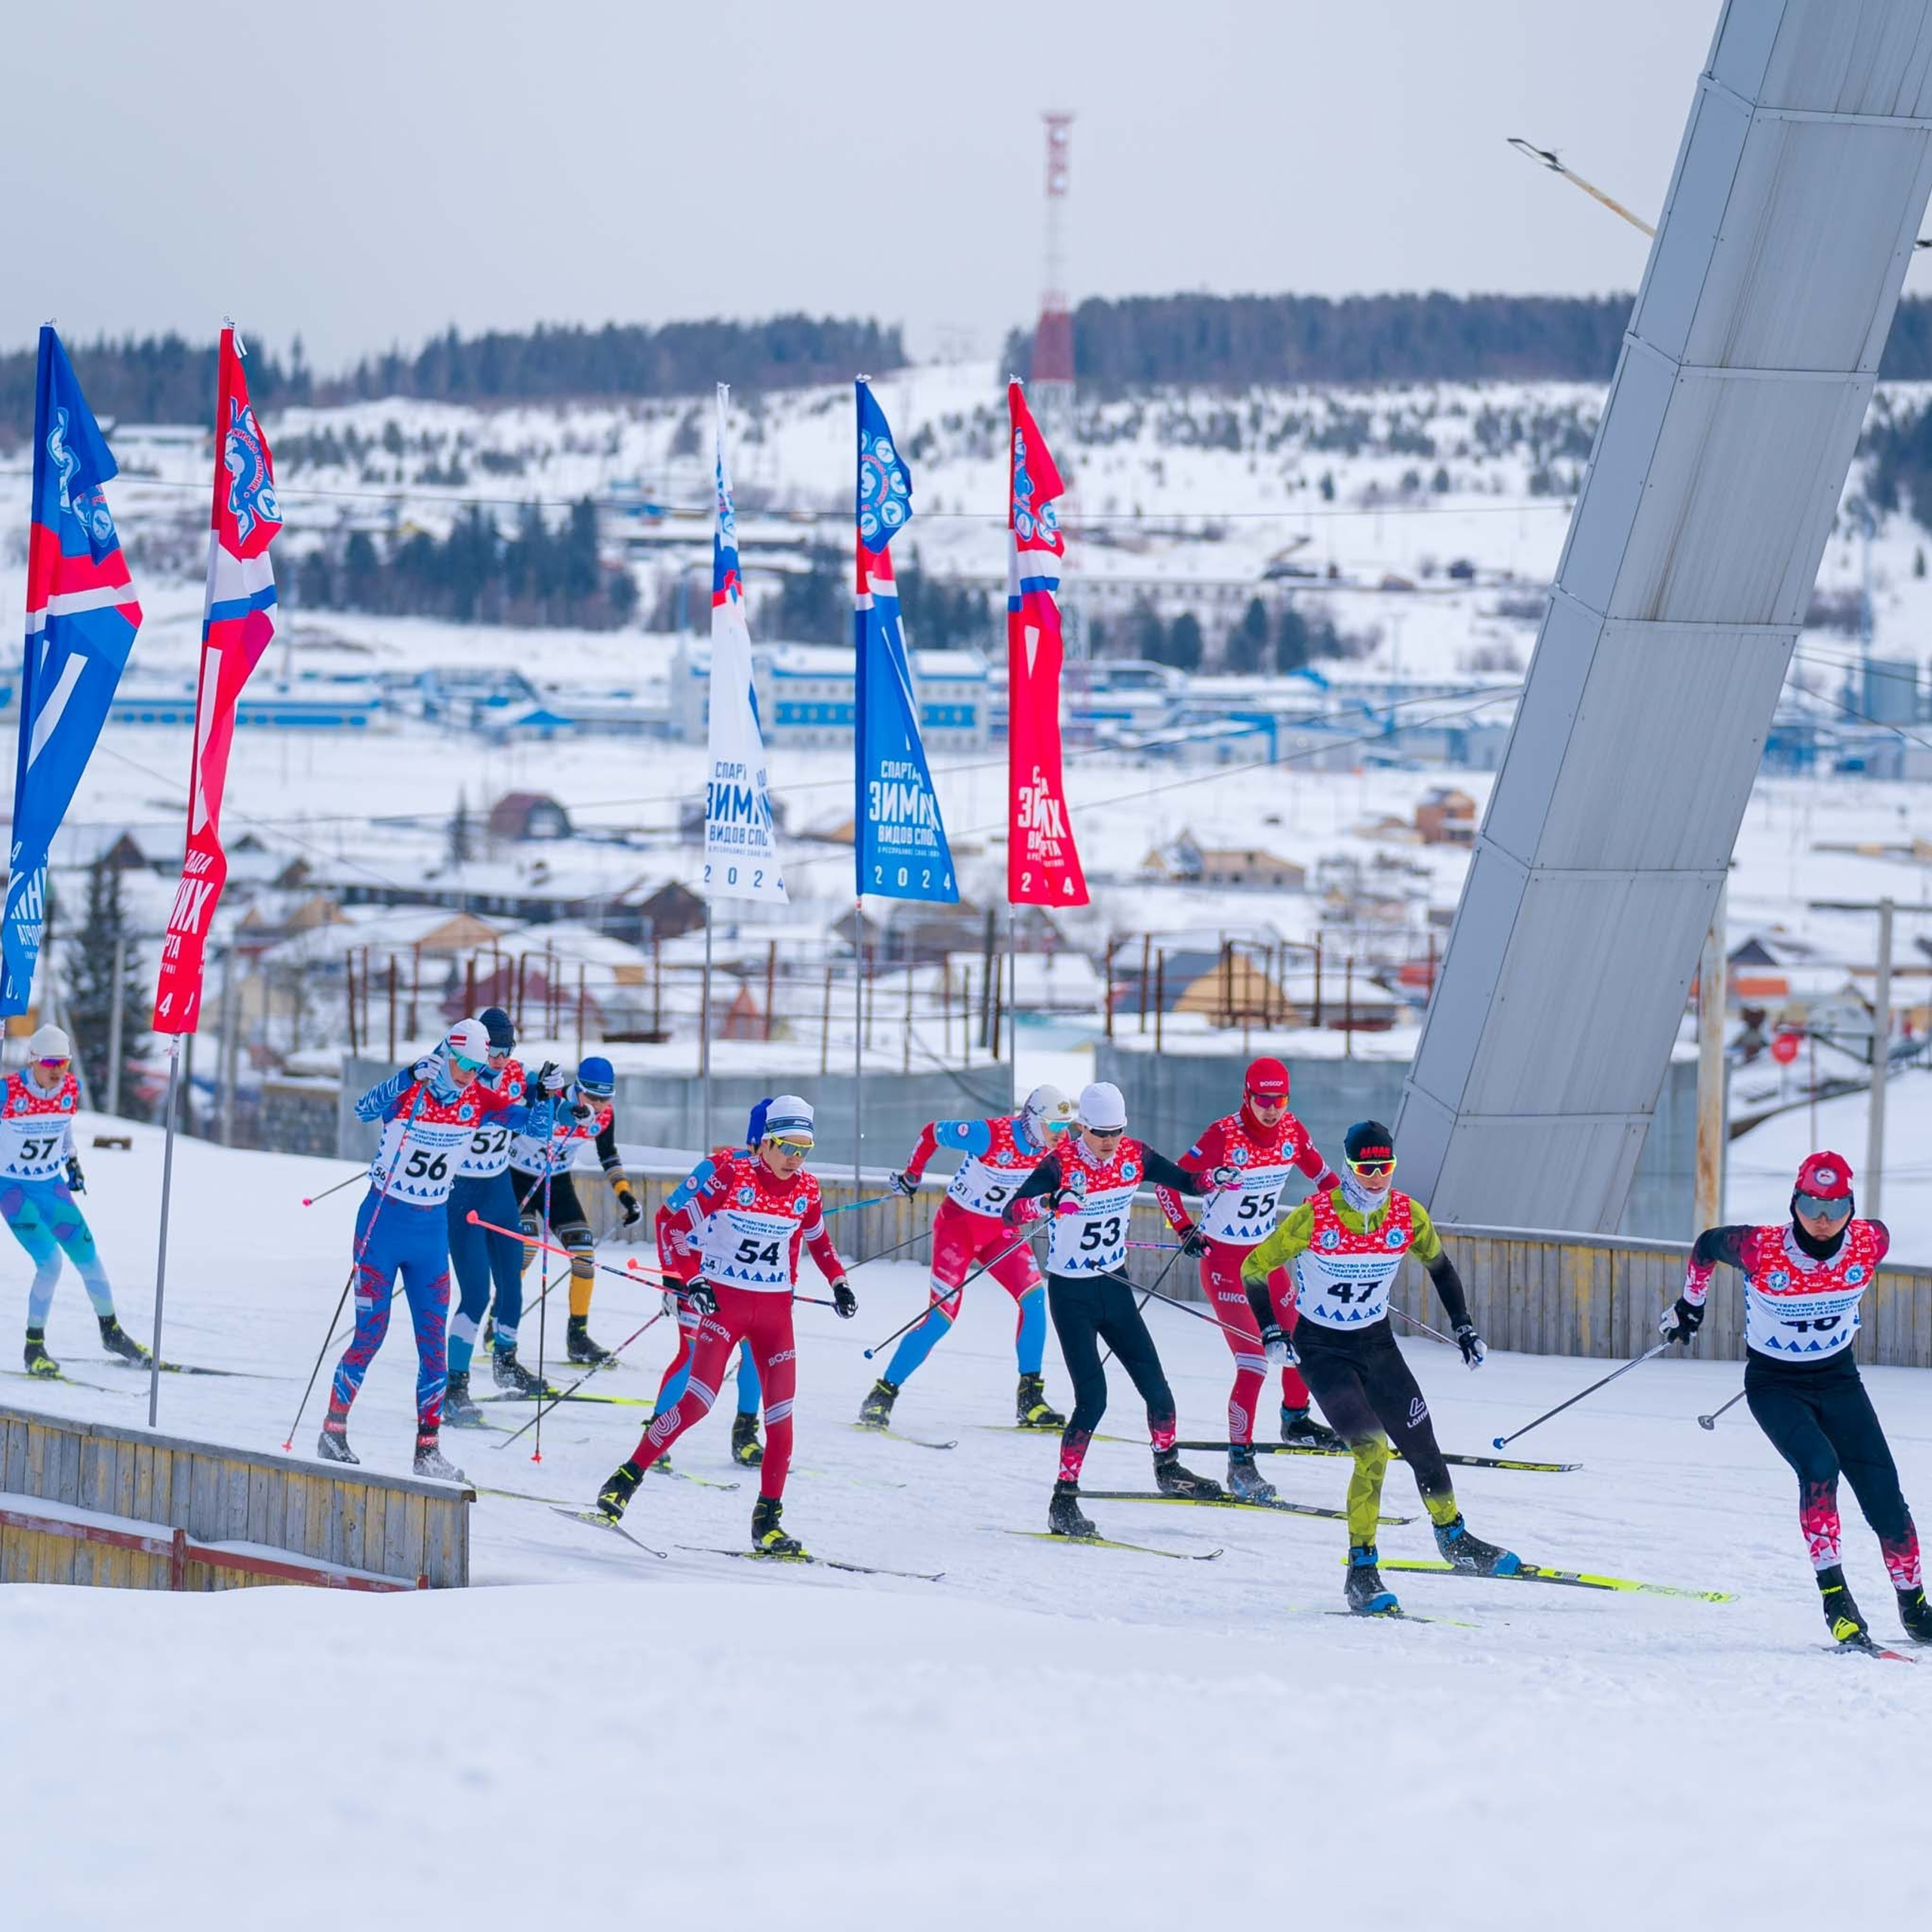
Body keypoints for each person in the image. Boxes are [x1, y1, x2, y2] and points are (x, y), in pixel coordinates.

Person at [1661, 1150, 1932, 1648]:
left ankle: (1915, 1608)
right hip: (1774, 1384)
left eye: (1835, 1207)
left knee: (1886, 1501)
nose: (1823, 1220)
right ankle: (1836, 1600)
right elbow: (1704, 1246)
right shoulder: (1760, 1247)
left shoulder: (1872, 1240)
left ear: (1852, 1207)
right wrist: (1689, 1306)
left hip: (1839, 1381)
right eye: (1811, 1205)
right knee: (1819, 1465)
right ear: (1794, 1204)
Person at [1240, 1120, 1512, 1615]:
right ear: (1347, 1167)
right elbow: (1254, 1266)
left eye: (1384, 1166)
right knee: (1372, 1451)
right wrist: (1271, 1330)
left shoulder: (1407, 1215)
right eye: (1366, 1168)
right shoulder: (1315, 1217)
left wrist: (1465, 1327)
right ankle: (1361, 1571)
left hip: (1377, 1344)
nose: (1376, 1177)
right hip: (1322, 1349)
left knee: (1423, 1445)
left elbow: (1441, 1268)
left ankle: (1454, 1539)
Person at [594, 1095, 855, 1555]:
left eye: (804, 1149)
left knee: (781, 1417)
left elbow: (819, 1239)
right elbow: (674, 1226)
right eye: (787, 1147)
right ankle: (626, 1477)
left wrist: (839, 1283)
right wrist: (692, 1280)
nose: (795, 1159)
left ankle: (767, 1520)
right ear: (764, 1144)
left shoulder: (807, 1189)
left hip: (775, 1316)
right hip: (723, 1306)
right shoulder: (731, 1176)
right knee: (697, 1403)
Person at [320, 1017, 553, 1478]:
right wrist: (407, 1077)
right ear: (446, 1053)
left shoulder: (478, 1098)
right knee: (371, 1333)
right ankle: (334, 1429)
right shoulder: (414, 1089)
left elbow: (538, 1131)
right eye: (463, 1063)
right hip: (382, 1226)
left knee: (433, 1347)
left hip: (429, 1233)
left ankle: (427, 1450)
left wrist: (544, 1096)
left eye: (477, 1065)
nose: (470, 1073)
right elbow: (363, 1110)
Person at [1001, 1081, 1223, 1539]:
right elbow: (1011, 1211)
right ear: (1081, 1127)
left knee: (1158, 1389)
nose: (1108, 1142)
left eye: (1116, 1131)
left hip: (1115, 1286)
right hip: (1073, 1296)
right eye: (1099, 1132)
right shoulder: (1061, 1163)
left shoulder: (1134, 1156)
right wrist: (1049, 1201)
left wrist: (1214, 1180)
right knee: (1093, 1400)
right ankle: (1063, 1500)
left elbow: (1185, 1181)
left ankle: (1169, 1470)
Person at [1153, 1055, 1342, 1501]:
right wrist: (1183, 1229)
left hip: (1267, 1258)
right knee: (1255, 1363)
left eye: (1280, 1100)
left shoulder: (1292, 1131)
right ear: (1247, 1096)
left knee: (1302, 1339)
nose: (1272, 1109)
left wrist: (1351, 1217)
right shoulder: (1222, 1136)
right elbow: (1167, 1183)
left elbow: (1325, 1180)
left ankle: (1296, 1419)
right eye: (1264, 1100)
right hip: (1224, 1265)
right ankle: (1240, 1464)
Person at [859, 1083, 1078, 1432]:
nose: (1060, 1134)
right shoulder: (988, 1134)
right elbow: (931, 1132)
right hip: (958, 1230)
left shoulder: (1060, 1145)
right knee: (941, 1319)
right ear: (1033, 1120)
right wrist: (912, 1175)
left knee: (1035, 1299)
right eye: (1054, 1126)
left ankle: (1030, 1400)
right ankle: (882, 1394)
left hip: (1001, 1231)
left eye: (1065, 1127)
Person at [3, 1024, 149, 1376]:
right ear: (34, 1060)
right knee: (50, 1263)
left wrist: (72, 1161)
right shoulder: (9, 1091)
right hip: (13, 1190)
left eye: (64, 1063)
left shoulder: (70, 1088)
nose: (57, 1070)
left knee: (89, 1258)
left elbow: (63, 1125)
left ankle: (111, 1332)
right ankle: (33, 1346)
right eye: (50, 1062)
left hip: (51, 1186)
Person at [441, 1008, 552, 1425]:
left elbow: (541, 1122)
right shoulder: (460, 1075)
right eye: (494, 1051)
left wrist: (549, 1093)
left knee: (512, 1283)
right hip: (461, 1191)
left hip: (498, 1187)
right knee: (475, 1295)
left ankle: (505, 1360)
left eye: (507, 1050)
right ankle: (455, 1385)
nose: (500, 1059)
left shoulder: (515, 1074)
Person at [653, 1101, 769, 1468]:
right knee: (692, 1356)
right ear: (755, 1144)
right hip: (699, 1276)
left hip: (746, 1283)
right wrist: (673, 1277)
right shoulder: (716, 1168)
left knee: (755, 1353)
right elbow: (665, 1219)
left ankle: (745, 1435)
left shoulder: (785, 1179)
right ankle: (656, 1434)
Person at [507, 1054, 641, 1365]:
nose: (597, 1105)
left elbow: (608, 1155)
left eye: (604, 1099)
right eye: (591, 1096)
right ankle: (500, 1321)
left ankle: (577, 1338)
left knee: (584, 1253)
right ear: (576, 1088)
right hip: (517, 1178)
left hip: (557, 1182)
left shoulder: (605, 1117)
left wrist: (625, 1195)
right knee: (525, 1249)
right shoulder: (552, 1101)